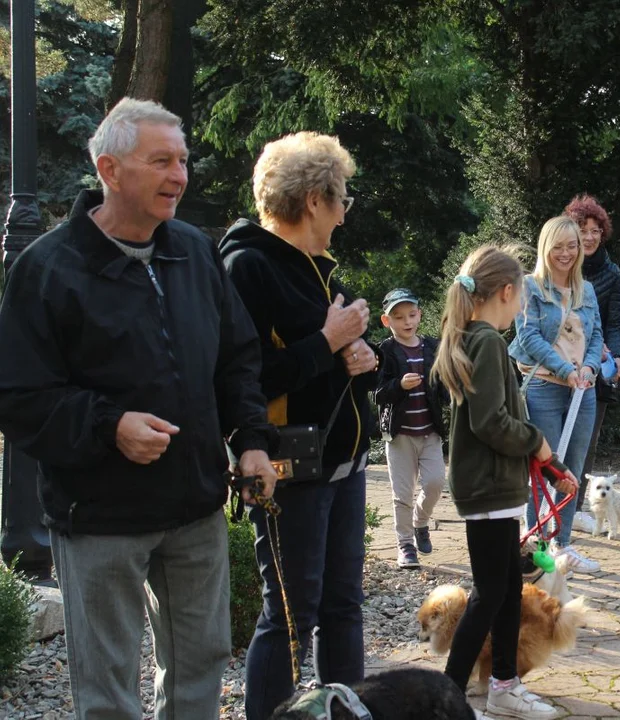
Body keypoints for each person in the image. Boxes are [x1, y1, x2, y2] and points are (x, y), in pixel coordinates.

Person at [0, 98, 278, 720]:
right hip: (100, 515)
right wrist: (109, 426)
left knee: (201, 665)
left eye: (182, 160)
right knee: (107, 693)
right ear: (109, 168)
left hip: (196, 508)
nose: (179, 175)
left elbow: (237, 356)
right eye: (161, 161)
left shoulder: (194, 250)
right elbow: (19, 398)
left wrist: (252, 439)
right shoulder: (46, 269)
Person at [220, 132, 381, 720]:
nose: (344, 215)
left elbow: (338, 369)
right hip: (290, 470)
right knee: (290, 613)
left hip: (343, 463)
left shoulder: (319, 270)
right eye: (343, 200)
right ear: (315, 199)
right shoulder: (247, 266)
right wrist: (330, 341)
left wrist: (366, 360)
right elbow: (243, 378)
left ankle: (346, 714)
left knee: (343, 606)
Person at [432, 245, 576, 720]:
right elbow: (490, 422)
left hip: (490, 487)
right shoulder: (489, 341)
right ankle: (448, 699)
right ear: (508, 292)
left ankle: (503, 686)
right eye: (522, 300)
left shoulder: (475, 338)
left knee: (507, 587)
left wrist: (544, 460)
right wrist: (538, 443)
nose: (522, 309)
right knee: (491, 593)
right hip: (489, 488)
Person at [508, 215, 604, 575]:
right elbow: (528, 337)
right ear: (545, 248)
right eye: (558, 246)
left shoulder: (587, 290)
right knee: (544, 468)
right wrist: (566, 370)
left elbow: (595, 338)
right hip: (545, 387)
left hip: (583, 391)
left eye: (572, 245)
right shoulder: (530, 287)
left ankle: (563, 544)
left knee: (573, 470)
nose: (565, 253)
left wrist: (589, 369)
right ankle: (539, 545)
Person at [373, 287, 448, 569]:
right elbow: (377, 393)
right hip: (400, 435)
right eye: (399, 317)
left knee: (435, 482)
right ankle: (405, 544)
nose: (407, 322)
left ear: (420, 315)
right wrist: (399, 386)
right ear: (386, 321)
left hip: (429, 431)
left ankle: (420, 522)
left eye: (412, 315)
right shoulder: (384, 352)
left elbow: (443, 385)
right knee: (401, 494)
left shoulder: (432, 346)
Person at [565, 195, 620, 531]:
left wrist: (616, 356)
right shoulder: (558, 265)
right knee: (554, 437)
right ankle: (548, 505)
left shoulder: (611, 272)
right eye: (581, 229)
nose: (588, 237)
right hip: (558, 366)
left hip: (595, 368)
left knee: (586, 440)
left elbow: (616, 320)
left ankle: (573, 510)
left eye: (595, 230)